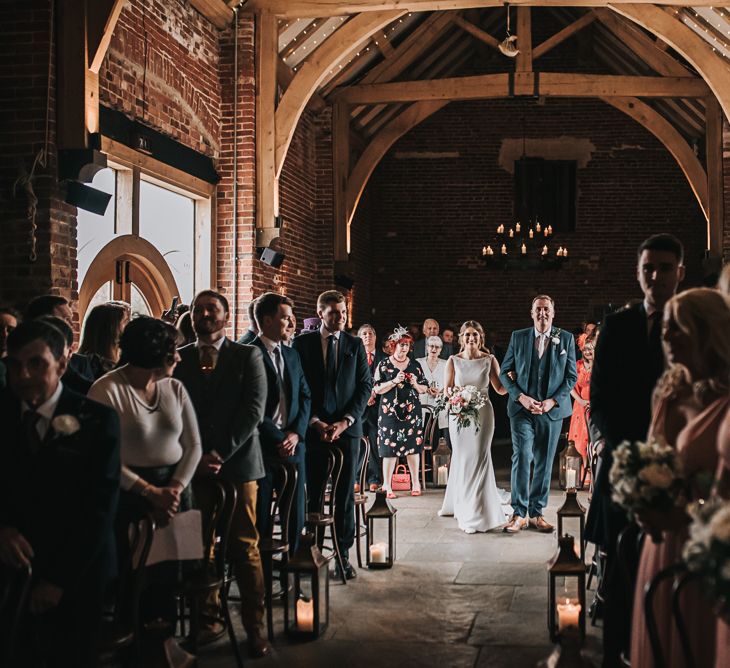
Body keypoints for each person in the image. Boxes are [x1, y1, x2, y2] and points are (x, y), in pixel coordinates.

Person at [585, 233, 685, 666]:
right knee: (619, 566)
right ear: (638, 271)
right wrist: (610, 442)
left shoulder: (692, 324)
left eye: (664, 268)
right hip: (622, 460)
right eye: (648, 267)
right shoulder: (618, 325)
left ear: (679, 272)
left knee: (665, 571)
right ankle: (615, 653)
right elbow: (600, 393)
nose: (655, 276)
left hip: (675, 466)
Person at [0, 320, 120, 667]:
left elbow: (99, 506)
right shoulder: (4, 411)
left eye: (36, 363)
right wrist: (3, 527)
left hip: (79, 568)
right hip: (11, 562)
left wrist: (58, 581)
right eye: (14, 364)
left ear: (62, 365)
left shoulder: (96, 419)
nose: (22, 375)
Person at [629, 288, 730, 668]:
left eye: (676, 328)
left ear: (706, 331)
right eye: (665, 328)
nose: (665, 337)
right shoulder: (669, 390)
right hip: (664, 538)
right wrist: (642, 494)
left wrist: (686, 511)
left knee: (697, 642)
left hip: (706, 541)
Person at [88, 316, 202, 628]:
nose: (178, 357)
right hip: (130, 495)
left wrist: (174, 489)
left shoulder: (175, 387)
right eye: (172, 352)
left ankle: (165, 643)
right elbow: (99, 457)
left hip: (177, 490)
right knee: (135, 579)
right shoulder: (106, 390)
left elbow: (193, 444)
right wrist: (150, 493)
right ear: (153, 353)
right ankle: (133, 647)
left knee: (171, 579)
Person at [173, 290, 270, 656]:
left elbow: (253, 410)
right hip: (193, 468)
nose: (204, 315)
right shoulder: (179, 359)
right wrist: (194, 455)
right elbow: (175, 410)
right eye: (198, 310)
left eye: (212, 309)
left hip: (239, 464)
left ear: (226, 317)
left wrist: (219, 452)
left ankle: (254, 626)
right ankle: (207, 619)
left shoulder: (247, 356)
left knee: (243, 545)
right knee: (198, 545)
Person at [292, 290, 371, 581]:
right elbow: (300, 387)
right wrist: (314, 421)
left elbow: (365, 386)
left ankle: (342, 554)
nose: (340, 317)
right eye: (334, 312)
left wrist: (345, 422)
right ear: (321, 312)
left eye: (344, 312)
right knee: (313, 493)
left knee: (344, 495)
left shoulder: (354, 344)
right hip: (314, 431)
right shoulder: (302, 344)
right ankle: (311, 551)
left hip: (347, 431)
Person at [500, 295, 578, 533]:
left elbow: (571, 377)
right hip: (522, 410)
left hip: (551, 411)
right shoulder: (518, 337)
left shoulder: (565, 339)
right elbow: (505, 372)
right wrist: (521, 397)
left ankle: (537, 513)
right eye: (538, 310)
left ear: (553, 313)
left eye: (546, 310)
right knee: (523, 455)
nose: (542, 314)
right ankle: (518, 512)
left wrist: (552, 401)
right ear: (532, 313)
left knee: (544, 462)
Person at [250, 293, 311, 554]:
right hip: (264, 448)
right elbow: (251, 406)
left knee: (294, 514)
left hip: (293, 446)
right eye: (284, 318)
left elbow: (305, 395)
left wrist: (296, 433)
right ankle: (264, 572)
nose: (290, 323)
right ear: (266, 320)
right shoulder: (249, 354)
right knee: (262, 515)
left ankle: (294, 564)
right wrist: (278, 438)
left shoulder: (292, 354)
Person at [438, 321, 509, 533]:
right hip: (460, 415)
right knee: (462, 457)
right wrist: (457, 398)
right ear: (461, 337)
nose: (471, 338)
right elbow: (446, 392)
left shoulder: (489, 360)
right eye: (467, 335)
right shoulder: (453, 361)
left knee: (480, 456)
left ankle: (477, 509)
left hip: (483, 414)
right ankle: (461, 503)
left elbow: (500, 389)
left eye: (475, 335)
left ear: (481, 338)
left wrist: (513, 379)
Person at [372, 327, 429, 498]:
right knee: (389, 448)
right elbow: (377, 388)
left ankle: (415, 482)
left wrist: (415, 385)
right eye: (401, 345)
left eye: (407, 345)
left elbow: (424, 387)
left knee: (413, 448)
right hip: (389, 412)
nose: (404, 348)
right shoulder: (383, 364)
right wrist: (394, 381)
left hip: (412, 412)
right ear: (393, 345)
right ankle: (387, 485)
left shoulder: (415, 365)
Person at [358, 323, 385, 491]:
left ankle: (374, 478)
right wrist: (365, 396)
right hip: (360, 408)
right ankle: (356, 478)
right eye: (364, 334)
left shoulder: (383, 358)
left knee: (375, 444)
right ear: (360, 338)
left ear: (375, 337)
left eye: (370, 333)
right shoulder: (355, 356)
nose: (368, 336)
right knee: (359, 443)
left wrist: (375, 394)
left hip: (378, 407)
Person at [568, 329, 597, 476]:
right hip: (580, 407)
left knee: (592, 441)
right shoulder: (578, 365)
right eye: (585, 349)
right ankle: (579, 475)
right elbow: (570, 386)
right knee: (580, 442)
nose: (587, 352)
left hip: (596, 406)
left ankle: (593, 473)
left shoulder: (600, 365)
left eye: (590, 349)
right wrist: (580, 400)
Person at [78, 303, 129, 379]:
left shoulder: (123, 360)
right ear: (111, 328)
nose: (129, 326)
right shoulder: (92, 365)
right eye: (125, 322)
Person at [417, 335, 450, 448]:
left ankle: (437, 463)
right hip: (422, 404)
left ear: (440, 350)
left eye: (437, 347)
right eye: (431, 346)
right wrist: (425, 389)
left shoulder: (446, 364)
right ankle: (422, 463)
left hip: (439, 404)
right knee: (421, 435)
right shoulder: (418, 363)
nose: (434, 349)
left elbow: (450, 384)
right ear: (427, 347)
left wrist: (440, 392)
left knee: (437, 436)